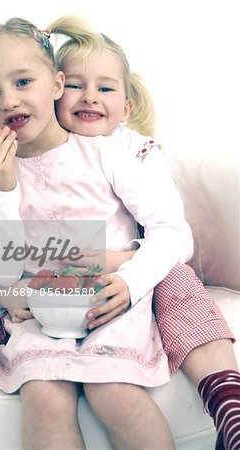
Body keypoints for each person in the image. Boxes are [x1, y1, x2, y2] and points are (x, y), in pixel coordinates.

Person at [0, 15, 197, 450]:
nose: (8, 100)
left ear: (57, 84)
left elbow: (170, 230)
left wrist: (131, 282)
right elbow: (3, 274)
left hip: (109, 302)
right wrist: (3, 191)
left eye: (23, 81)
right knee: (43, 396)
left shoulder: (104, 152)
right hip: (41, 312)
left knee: (115, 394)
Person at [53, 31, 240, 450]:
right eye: (75, 85)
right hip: (59, 284)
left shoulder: (132, 151)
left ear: (127, 105)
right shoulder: (35, 156)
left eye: (105, 87)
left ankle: (231, 408)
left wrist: (125, 264)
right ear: (54, 92)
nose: (89, 97)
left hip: (136, 275)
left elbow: (174, 233)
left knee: (175, 277)